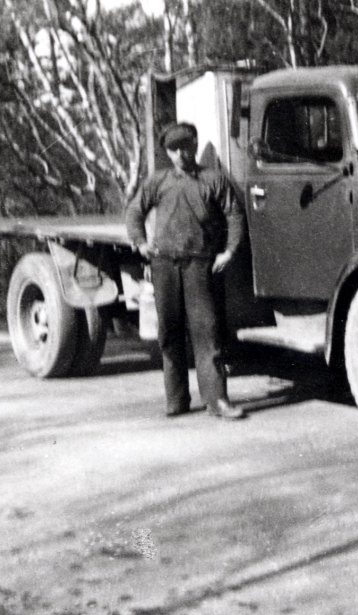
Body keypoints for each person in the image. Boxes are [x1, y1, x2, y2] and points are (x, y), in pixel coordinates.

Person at [126, 122, 246, 420]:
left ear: (195, 146)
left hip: (200, 265)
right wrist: (140, 243)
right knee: (169, 333)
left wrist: (229, 251)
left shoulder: (213, 180)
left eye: (186, 146)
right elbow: (134, 211)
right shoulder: (159, 181)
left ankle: (216, 401)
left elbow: (234, 213)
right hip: (165, 264)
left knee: (207, 333)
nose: (181, 153)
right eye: (174, 149)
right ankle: (176, 400)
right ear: (167, 152)